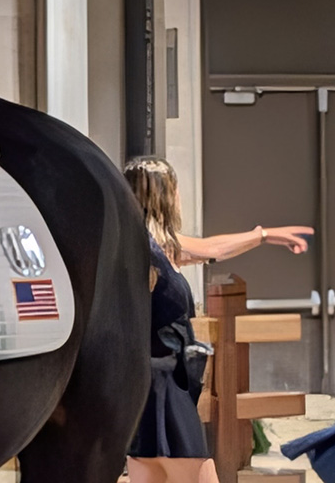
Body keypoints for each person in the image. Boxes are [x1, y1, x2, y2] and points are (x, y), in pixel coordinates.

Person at [124, 156, 311, 483]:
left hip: (148, 383)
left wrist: (262, 235)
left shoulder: (149, 248)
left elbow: (212, 248)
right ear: (164, 195)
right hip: (163, 384)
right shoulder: (142, 251)